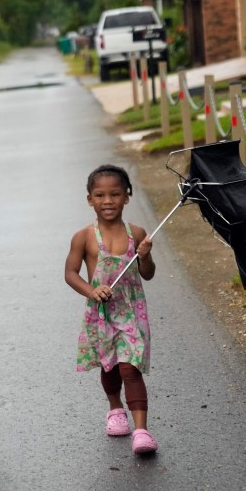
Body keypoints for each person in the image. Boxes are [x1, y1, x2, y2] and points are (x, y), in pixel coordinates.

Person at [64, 164, 158, 455]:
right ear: (89, 198)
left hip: (131, 311)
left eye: (115, 194)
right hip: (102, 312)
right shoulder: (84, 237)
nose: (108, 201)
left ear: (127, 197)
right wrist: (91, 290)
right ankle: (115, 407)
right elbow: (70, 273)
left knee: (130, 367)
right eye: (100, 195)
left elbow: (148, 274)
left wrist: (145, 256)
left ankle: (141, 431)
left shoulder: (137, 233)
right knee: (110, 365)